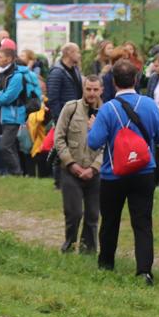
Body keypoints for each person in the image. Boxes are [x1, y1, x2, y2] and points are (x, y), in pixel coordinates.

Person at [86, 59, 159, 285]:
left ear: (113, 82)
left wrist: (92, 128)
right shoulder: (149, 104)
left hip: (114, 173)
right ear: (137, 79)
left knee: (110, 220)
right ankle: (144, 270)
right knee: (142, 222)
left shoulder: (108, 109)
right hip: (144, 171)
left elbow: (94, 142)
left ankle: (106, 263)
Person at [53, 74, 103, 255]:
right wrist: (71, 163)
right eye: (88, 89)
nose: (91, 93)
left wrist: (94, 167)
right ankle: (69, 246)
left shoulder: (107, 112)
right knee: (73, 213)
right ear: (83, 89)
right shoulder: (71, 108)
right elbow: (58, 139)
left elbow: (109, 145)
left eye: (95, 89)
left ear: (101, 90)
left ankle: (88, 251)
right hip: (71, 170)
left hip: (94, 172)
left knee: (92, 216)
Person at [0, 39, 40, 177]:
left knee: (5, 146)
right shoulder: (4, 73)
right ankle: (16, 173)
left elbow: (7, 98)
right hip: (7, 115)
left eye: (0, 57)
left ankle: (16, 172)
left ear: (9, 59)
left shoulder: (16, 76)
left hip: (14, 115)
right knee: (10, 146)